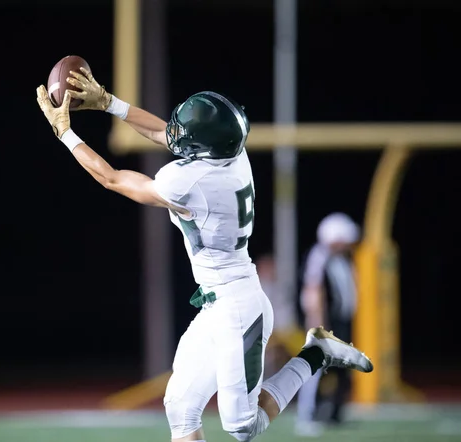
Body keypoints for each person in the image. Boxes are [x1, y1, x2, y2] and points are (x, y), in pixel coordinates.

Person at [36, 69, 373, 442]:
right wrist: (108, 102)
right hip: (218, 303)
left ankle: (316, 353)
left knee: (243, 427)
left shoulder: (191, 182)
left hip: (238, 308)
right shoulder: (232, 153)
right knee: (180, 409)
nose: (177, 134)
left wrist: (66, 134)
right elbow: (169, 134)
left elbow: (113, 178)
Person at [295, 213, 360, 437]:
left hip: (340, 323)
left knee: (341, 370)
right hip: (324, 325)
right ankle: (306, 416)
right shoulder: (319, 256)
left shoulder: (341, 259)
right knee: (314, 370)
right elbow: (314, 291)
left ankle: (333, 413)